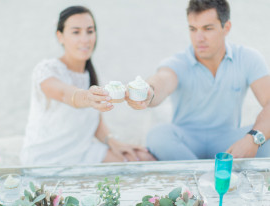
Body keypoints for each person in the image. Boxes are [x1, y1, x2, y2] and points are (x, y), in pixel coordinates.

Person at [126, 0, 270, 160]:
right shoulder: (178, 63)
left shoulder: (248, 58)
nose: (198, 38)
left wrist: (253, 138)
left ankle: (197, 172)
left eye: (207, 28)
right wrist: (148, 92)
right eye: (193, 29)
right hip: (186, 142)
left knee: (266, 135)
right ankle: (204, 175)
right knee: (158, 135)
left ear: (226, 27)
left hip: (226, 141)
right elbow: (161, 81)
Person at [21, 6, 155, 165]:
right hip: (47, 157)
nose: (85, 39)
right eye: (76, 32)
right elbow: (65, 94)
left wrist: (113, 142)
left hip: (83, 151)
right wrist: (88, 97)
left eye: (90, 31)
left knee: (142, 158)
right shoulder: (46, 70)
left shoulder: (90, 74)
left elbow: (94, 123)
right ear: (60, 36)